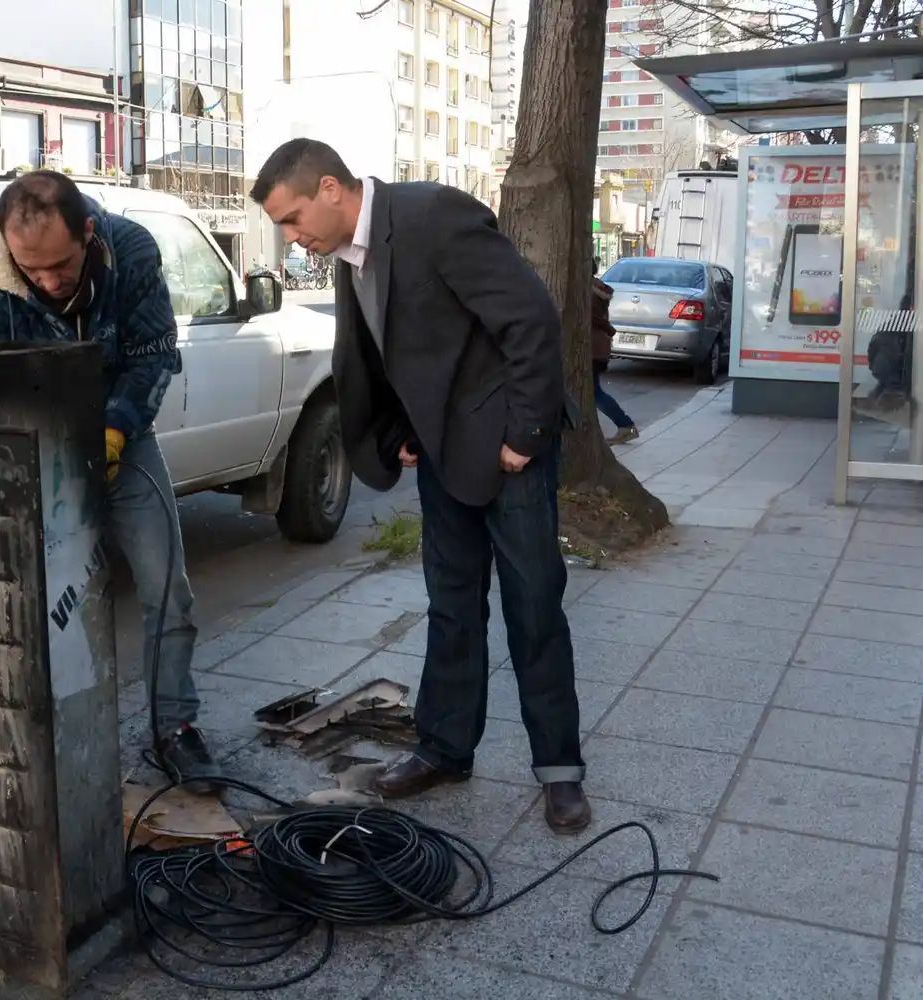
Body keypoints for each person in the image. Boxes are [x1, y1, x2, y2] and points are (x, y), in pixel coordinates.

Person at [251, 138, 590, 833]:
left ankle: (560, 770)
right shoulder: (348, 252)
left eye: (291, 218)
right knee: (452, 606)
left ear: (330, 189)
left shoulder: (434, 214)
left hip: (507, 448)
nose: (290, 236)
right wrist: (400, 429)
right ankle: (444, 749)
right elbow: (402, 349)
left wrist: (525, 436)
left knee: (533, 607)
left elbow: (529, 317)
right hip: (442, 449)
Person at [0, 170, 218, 790]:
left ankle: (175, 727)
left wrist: (117, 429)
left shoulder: (132, 251)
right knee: (29, 600)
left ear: (88, 233)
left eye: (60, 267)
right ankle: (35, 730)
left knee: (167, 588)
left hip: (123, 437)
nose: (47, 283)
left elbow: (154, 354)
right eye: (31, 270)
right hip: (27, 453)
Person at [591, 258, 638, 444]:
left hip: (592, 347)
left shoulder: (587, 291)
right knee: (592, 392)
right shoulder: (597, 288)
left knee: (594, 393)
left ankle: (625, 425)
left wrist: (609, 329)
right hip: (598, 346)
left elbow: (593, 318)